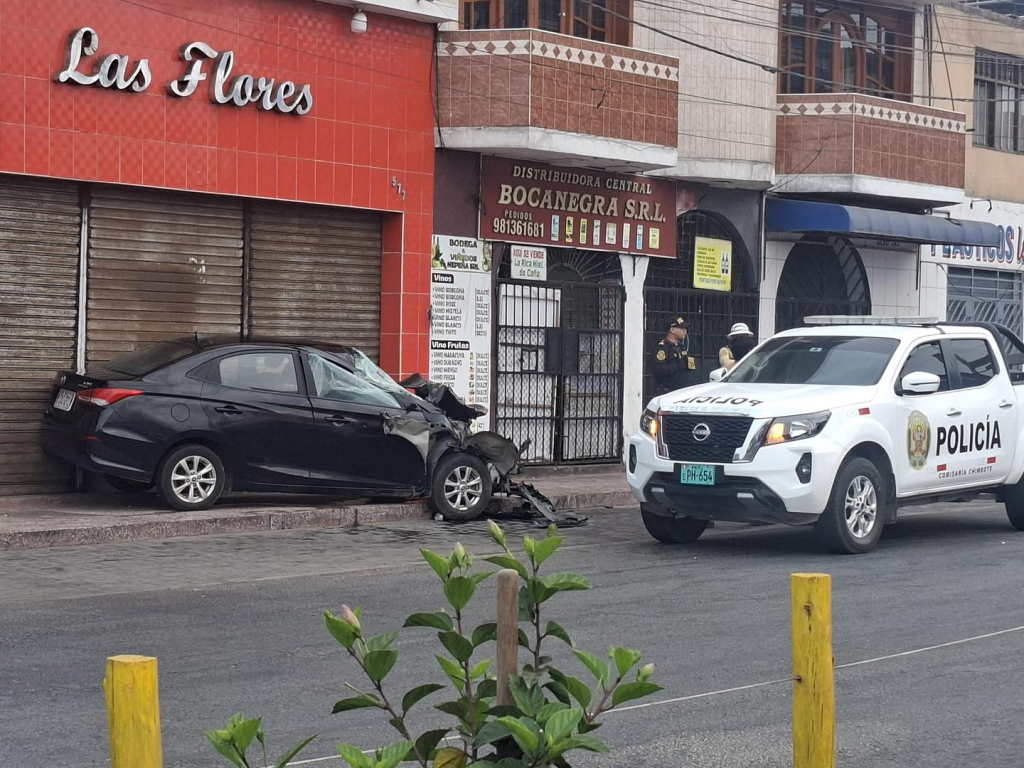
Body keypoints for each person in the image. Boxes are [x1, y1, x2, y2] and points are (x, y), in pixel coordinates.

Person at [651, 316, 698, 395]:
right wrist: (677, 366)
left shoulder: (681, 347)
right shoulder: (663, 347)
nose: (685, 331)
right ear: (672, 330)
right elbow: (657, 369)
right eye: (681, 328)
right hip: (669, 391)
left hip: (684, 390)